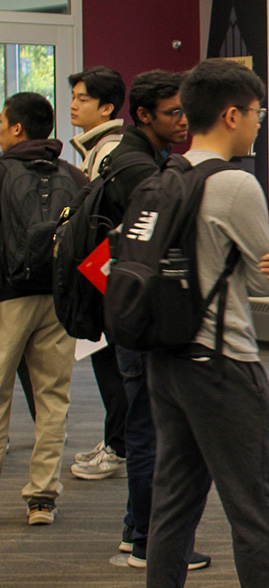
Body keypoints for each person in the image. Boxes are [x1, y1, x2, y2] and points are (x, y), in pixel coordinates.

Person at [142, 58, 269, 588]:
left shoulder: (166, 175)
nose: (257, 123)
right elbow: (261, 280)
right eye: (256, 113)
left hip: (168, 360)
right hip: (224, 364)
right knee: (255, 506)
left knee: (174, 503)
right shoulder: (235, 184)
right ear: (231, 114)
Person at [103, 70, 210, 570]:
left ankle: (135, 532)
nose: (183, 120)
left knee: (148, 424)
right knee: (150, 430)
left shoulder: (143, 159)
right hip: (140, 316)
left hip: (132, 309)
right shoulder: (136, 169)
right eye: (173, 112)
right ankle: (148, 540)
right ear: (143, 115)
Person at [0, 92, 86, 526]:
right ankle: (42, 497)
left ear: (17, 129)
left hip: (6, 300)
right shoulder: (73, 173)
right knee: (52, 397)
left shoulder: (1, 173)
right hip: (57, 298)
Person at [66, 65, 131, 482]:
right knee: (107, 362)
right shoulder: (95, 149)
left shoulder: (112, 152)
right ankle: (116, 440)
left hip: (110, 275)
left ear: (107, 107)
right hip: (99, 273)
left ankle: (120, 445)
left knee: (114, 366)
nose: (73, 104)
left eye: (83, 98)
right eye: (73, 96)